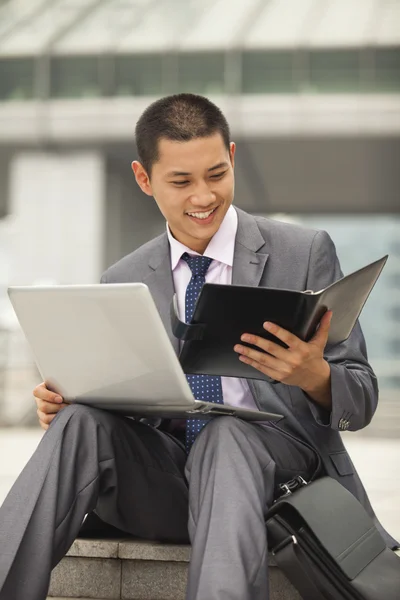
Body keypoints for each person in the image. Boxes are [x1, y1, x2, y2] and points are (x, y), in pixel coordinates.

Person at [0, 93, 397, 600]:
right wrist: (70, 398)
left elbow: (361, 399)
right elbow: (121, 413)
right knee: (80, 422)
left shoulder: (303, 253)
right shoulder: (124, 278)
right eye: (181, 181)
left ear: (232, 158)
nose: (203, 197)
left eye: (216, 175)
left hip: (277, 482)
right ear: (145, 180)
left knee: (226, 434)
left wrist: (311, 374)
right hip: (170, 483)